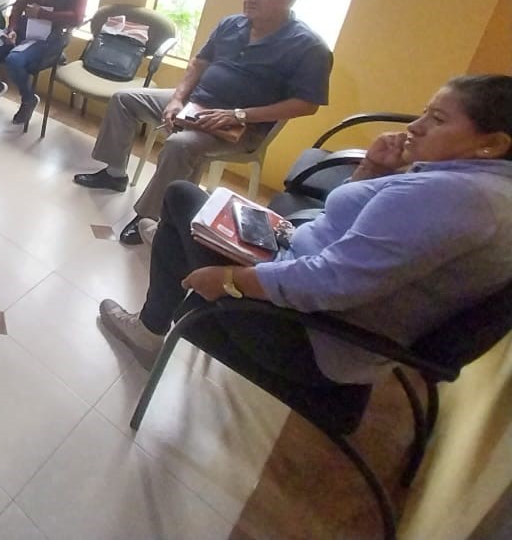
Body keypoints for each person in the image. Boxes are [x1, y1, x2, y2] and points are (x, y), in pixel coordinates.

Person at [98, 75, 512, 385]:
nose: (416, 126)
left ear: (492, 144)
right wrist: (373, 168)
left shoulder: (457, 198)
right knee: (200, 213)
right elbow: (357, 230)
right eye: (424, 113)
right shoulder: (478, 185)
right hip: (306, 273)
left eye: (436, 119)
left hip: (308, 338)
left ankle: (150, 327)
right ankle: (174, 239)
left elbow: (331, 283)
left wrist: (228, 278)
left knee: (181, 199)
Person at [75, 0, 332, 246]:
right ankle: (114, 174)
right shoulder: (231, 24)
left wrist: (239, 115)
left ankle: (152, 217)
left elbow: (306, 104)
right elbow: (199, 63)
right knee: (124, 99)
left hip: (243, 125)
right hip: (195, 101)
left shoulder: (309, 46)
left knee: (179, 145)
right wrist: (177, 99)